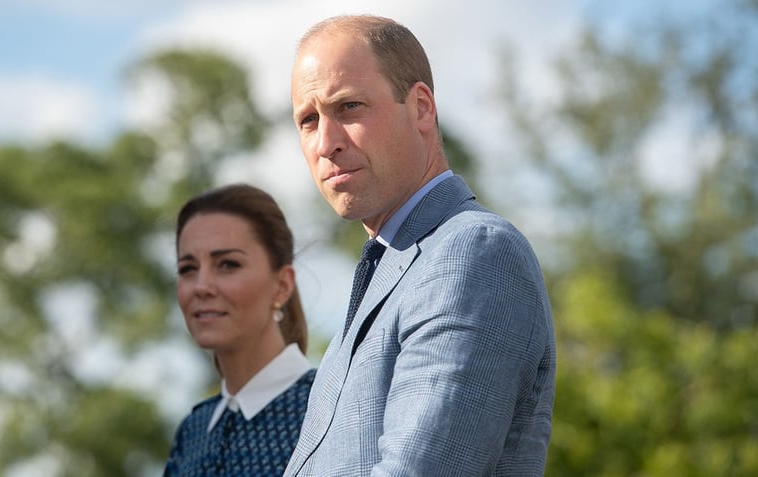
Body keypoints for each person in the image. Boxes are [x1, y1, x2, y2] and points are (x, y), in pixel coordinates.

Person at [284, 14, 556, 476]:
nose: (325, 143)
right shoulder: (390, 269)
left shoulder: (472, 253)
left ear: (422, 108)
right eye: (308, 121)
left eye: (348, 107)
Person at [163, 184, 316, 477]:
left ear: (282, 285)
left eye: (228, 264)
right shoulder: (193, 431)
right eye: (187, 268)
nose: (202, 286)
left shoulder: (328, 408)